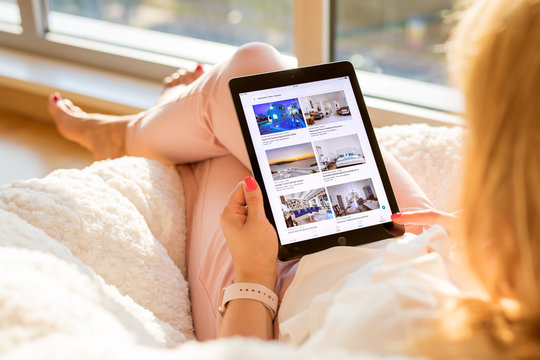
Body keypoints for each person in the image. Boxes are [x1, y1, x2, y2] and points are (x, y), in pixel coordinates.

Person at [48, 0, 540, 357]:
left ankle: (132, 133)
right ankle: (151, 127)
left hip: (287, 296)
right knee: (258, 81)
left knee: (227, 122)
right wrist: (473, 239)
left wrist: (255, 272)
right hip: (406, 239)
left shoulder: (395, 331)